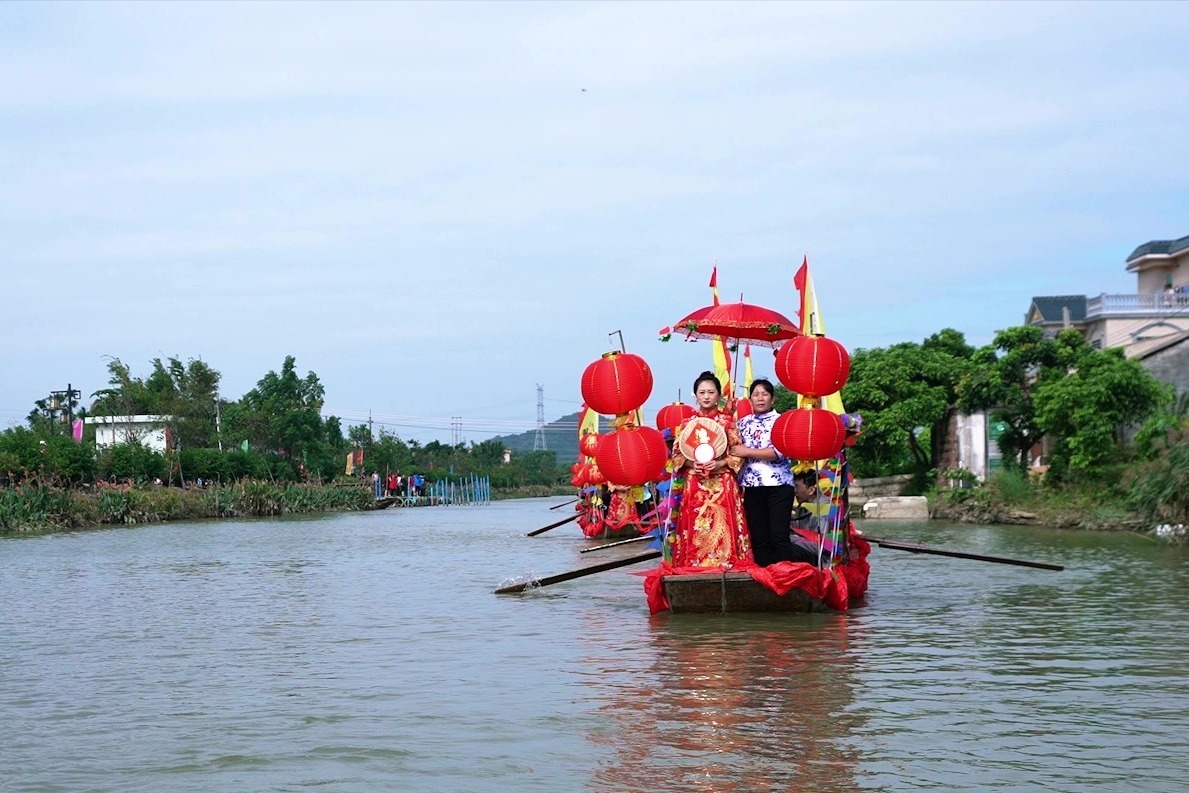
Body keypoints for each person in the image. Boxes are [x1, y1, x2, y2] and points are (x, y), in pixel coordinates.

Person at [668, 371, 752, 568]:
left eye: (711, 392)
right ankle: (694, 564)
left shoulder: (728, 422)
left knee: (723, 524)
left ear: (718, 396)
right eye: (702, 392)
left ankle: (726, 563)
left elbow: (738, 453)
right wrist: (691, 464)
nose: (706, 396)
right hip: (696, 482)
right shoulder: (687, 424)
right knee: (696, 523)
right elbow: (676, 456)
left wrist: (720, 464)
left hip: (722, 483)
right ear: (695, 395)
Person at [730, 378, 814, 566]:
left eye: (765, 394)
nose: (760, 398)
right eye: (755, 394)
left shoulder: (782, 422)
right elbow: (732, 449)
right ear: (750, 399)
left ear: (772, 399)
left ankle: (785, 576)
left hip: (779, 485)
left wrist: (747, 451)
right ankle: (764, 577)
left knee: (779, 535)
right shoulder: (742, 424)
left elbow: (779, 452)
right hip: (752, 486)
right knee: (759, 536)